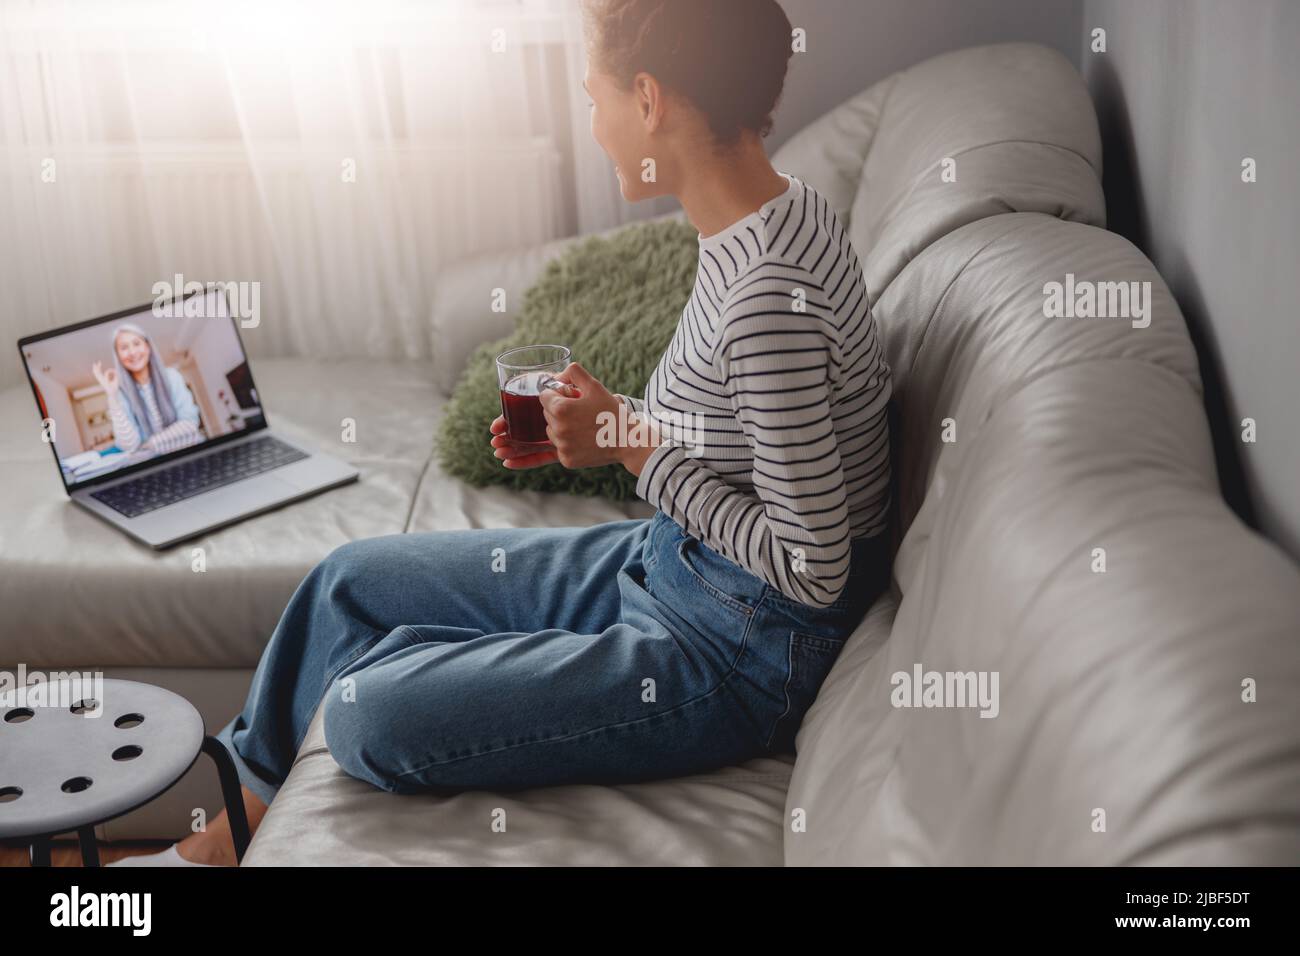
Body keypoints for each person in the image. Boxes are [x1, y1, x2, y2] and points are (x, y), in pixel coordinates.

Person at [116, 0, 892, 867]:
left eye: (594, 99)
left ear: (648, 100)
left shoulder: (764, 298)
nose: (592, 127)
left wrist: (633, 445)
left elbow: (814, 567)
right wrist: (608, 422)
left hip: (737, 646)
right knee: (348, 586)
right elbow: (748, 427)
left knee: (366, 712)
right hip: (675, 558)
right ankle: (214, 847)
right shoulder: (778, 214)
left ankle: (247, 825)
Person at [91, 322, 202, 457]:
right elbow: (129, 445)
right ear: (118, 356)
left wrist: (149, 444)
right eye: (124, 347)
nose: (132, 352)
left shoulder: (171, 376)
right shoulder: (121, 394)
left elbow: (190, 423)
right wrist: (112, 396)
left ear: (148, 347)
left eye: (136, 343)